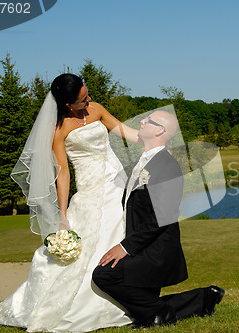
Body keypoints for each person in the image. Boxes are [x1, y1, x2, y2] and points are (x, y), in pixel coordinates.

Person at [0, 73, 139, 332]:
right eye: (83, 99)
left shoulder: (97, 110)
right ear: (68, 104)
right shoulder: (59, 129)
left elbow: (125, 132)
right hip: (90, 191)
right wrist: (62, 214)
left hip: (117, 184)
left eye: (88, 93)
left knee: (122, 236)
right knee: (85, 249)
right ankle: (83, 306)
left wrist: (156, 138)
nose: (89, 99)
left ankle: (130, 299)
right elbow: (63, 173)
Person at [92, 110, 225, 329]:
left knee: (104, 275)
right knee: (145, 299)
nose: (141, 121)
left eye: (148, 120)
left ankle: (160, 312)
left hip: (156, 248)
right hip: (142, 242)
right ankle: (202, 299)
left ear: (160, 130)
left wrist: (125, 247)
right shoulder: (144, 161)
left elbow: (164, 216)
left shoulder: (167, 166)